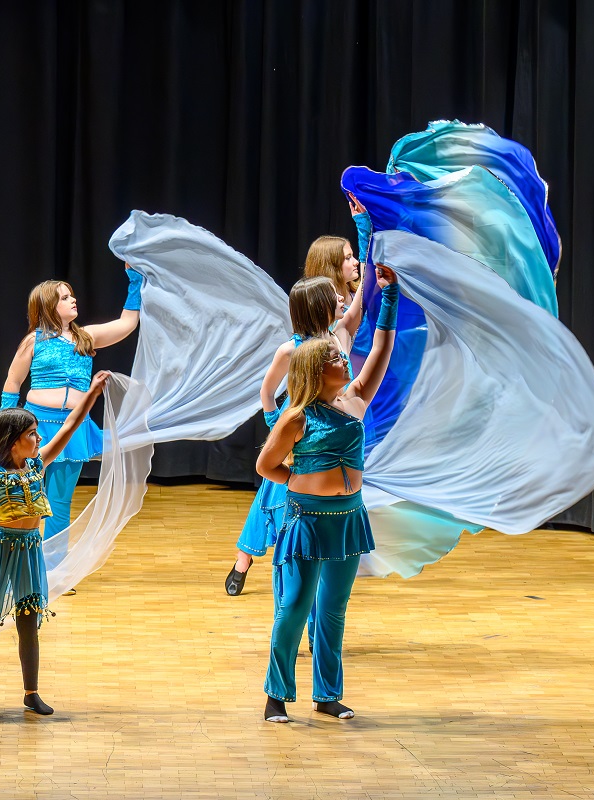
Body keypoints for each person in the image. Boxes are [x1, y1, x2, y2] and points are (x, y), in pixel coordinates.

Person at [256, 264, 398, 723]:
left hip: (348, 519)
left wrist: (390, 295)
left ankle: (328, 694)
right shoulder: (296, 416)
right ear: (318, 371)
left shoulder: (355, 399)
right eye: (337, 359)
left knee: (333, 612)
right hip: (307, 519)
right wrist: (300, 487)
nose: (344, 360)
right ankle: (276, 695)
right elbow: (266, 466)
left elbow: (380, 348)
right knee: (295, 607)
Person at [225, 195, 371, 597]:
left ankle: (285, 569)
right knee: (274, 491)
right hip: (301, 428)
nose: (353, 263)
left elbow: (364, 298)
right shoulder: (292, 348)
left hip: (333, 427)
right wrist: (278, 427)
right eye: (347, 256)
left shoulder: (340, 331)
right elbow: (267, 392)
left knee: (285, 496)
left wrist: (366, 229)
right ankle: (252, 560)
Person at [0, 371, 110, 716]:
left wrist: (91, 394)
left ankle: (31, 693)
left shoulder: (37, 465)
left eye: (36, 433)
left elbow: (68, 429)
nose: (38, 438)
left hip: (30, 550)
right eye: (31, 434)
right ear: (11, 441)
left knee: (28, 620)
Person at [0, 269, 141, 588]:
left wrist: (135, 282)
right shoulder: (33, 341)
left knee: (59, 502)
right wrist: (6, 429)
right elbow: (12, 383)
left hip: (72, 430)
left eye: (71, 294)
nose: (73, 299)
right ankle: (8, 562)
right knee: (22, 499)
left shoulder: (85, 337)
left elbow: (127, 324)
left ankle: (54, 570)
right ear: (49, 307)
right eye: (65, 297)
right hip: (33, 430)